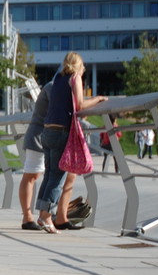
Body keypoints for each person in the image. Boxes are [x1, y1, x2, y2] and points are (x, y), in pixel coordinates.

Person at [34, 52, 108, 233]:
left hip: (47, 130)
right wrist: (98, 99)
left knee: (50, 174)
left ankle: (42, 213)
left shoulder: (58, 78)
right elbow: (80, 105)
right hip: (61, 131)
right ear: (79, 65)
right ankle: (45, 216)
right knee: (57, 178)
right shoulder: (74, 78)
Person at [19, 84, 51, 230]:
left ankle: (37, 216)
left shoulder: (54, 85)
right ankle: (27, 217)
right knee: (31, 176)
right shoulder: (53, 87)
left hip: (44, 137)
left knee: (35, 176)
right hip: (38, 137)